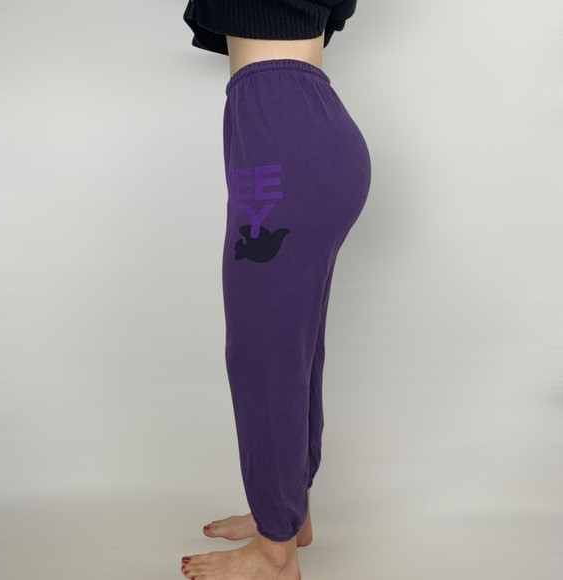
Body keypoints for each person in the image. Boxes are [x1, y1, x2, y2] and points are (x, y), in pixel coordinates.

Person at [180, 2, 371, 578]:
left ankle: (274, 554)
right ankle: (287, 516)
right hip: (297, 132)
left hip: (283, 138)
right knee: (289, 347)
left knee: (265, 353)